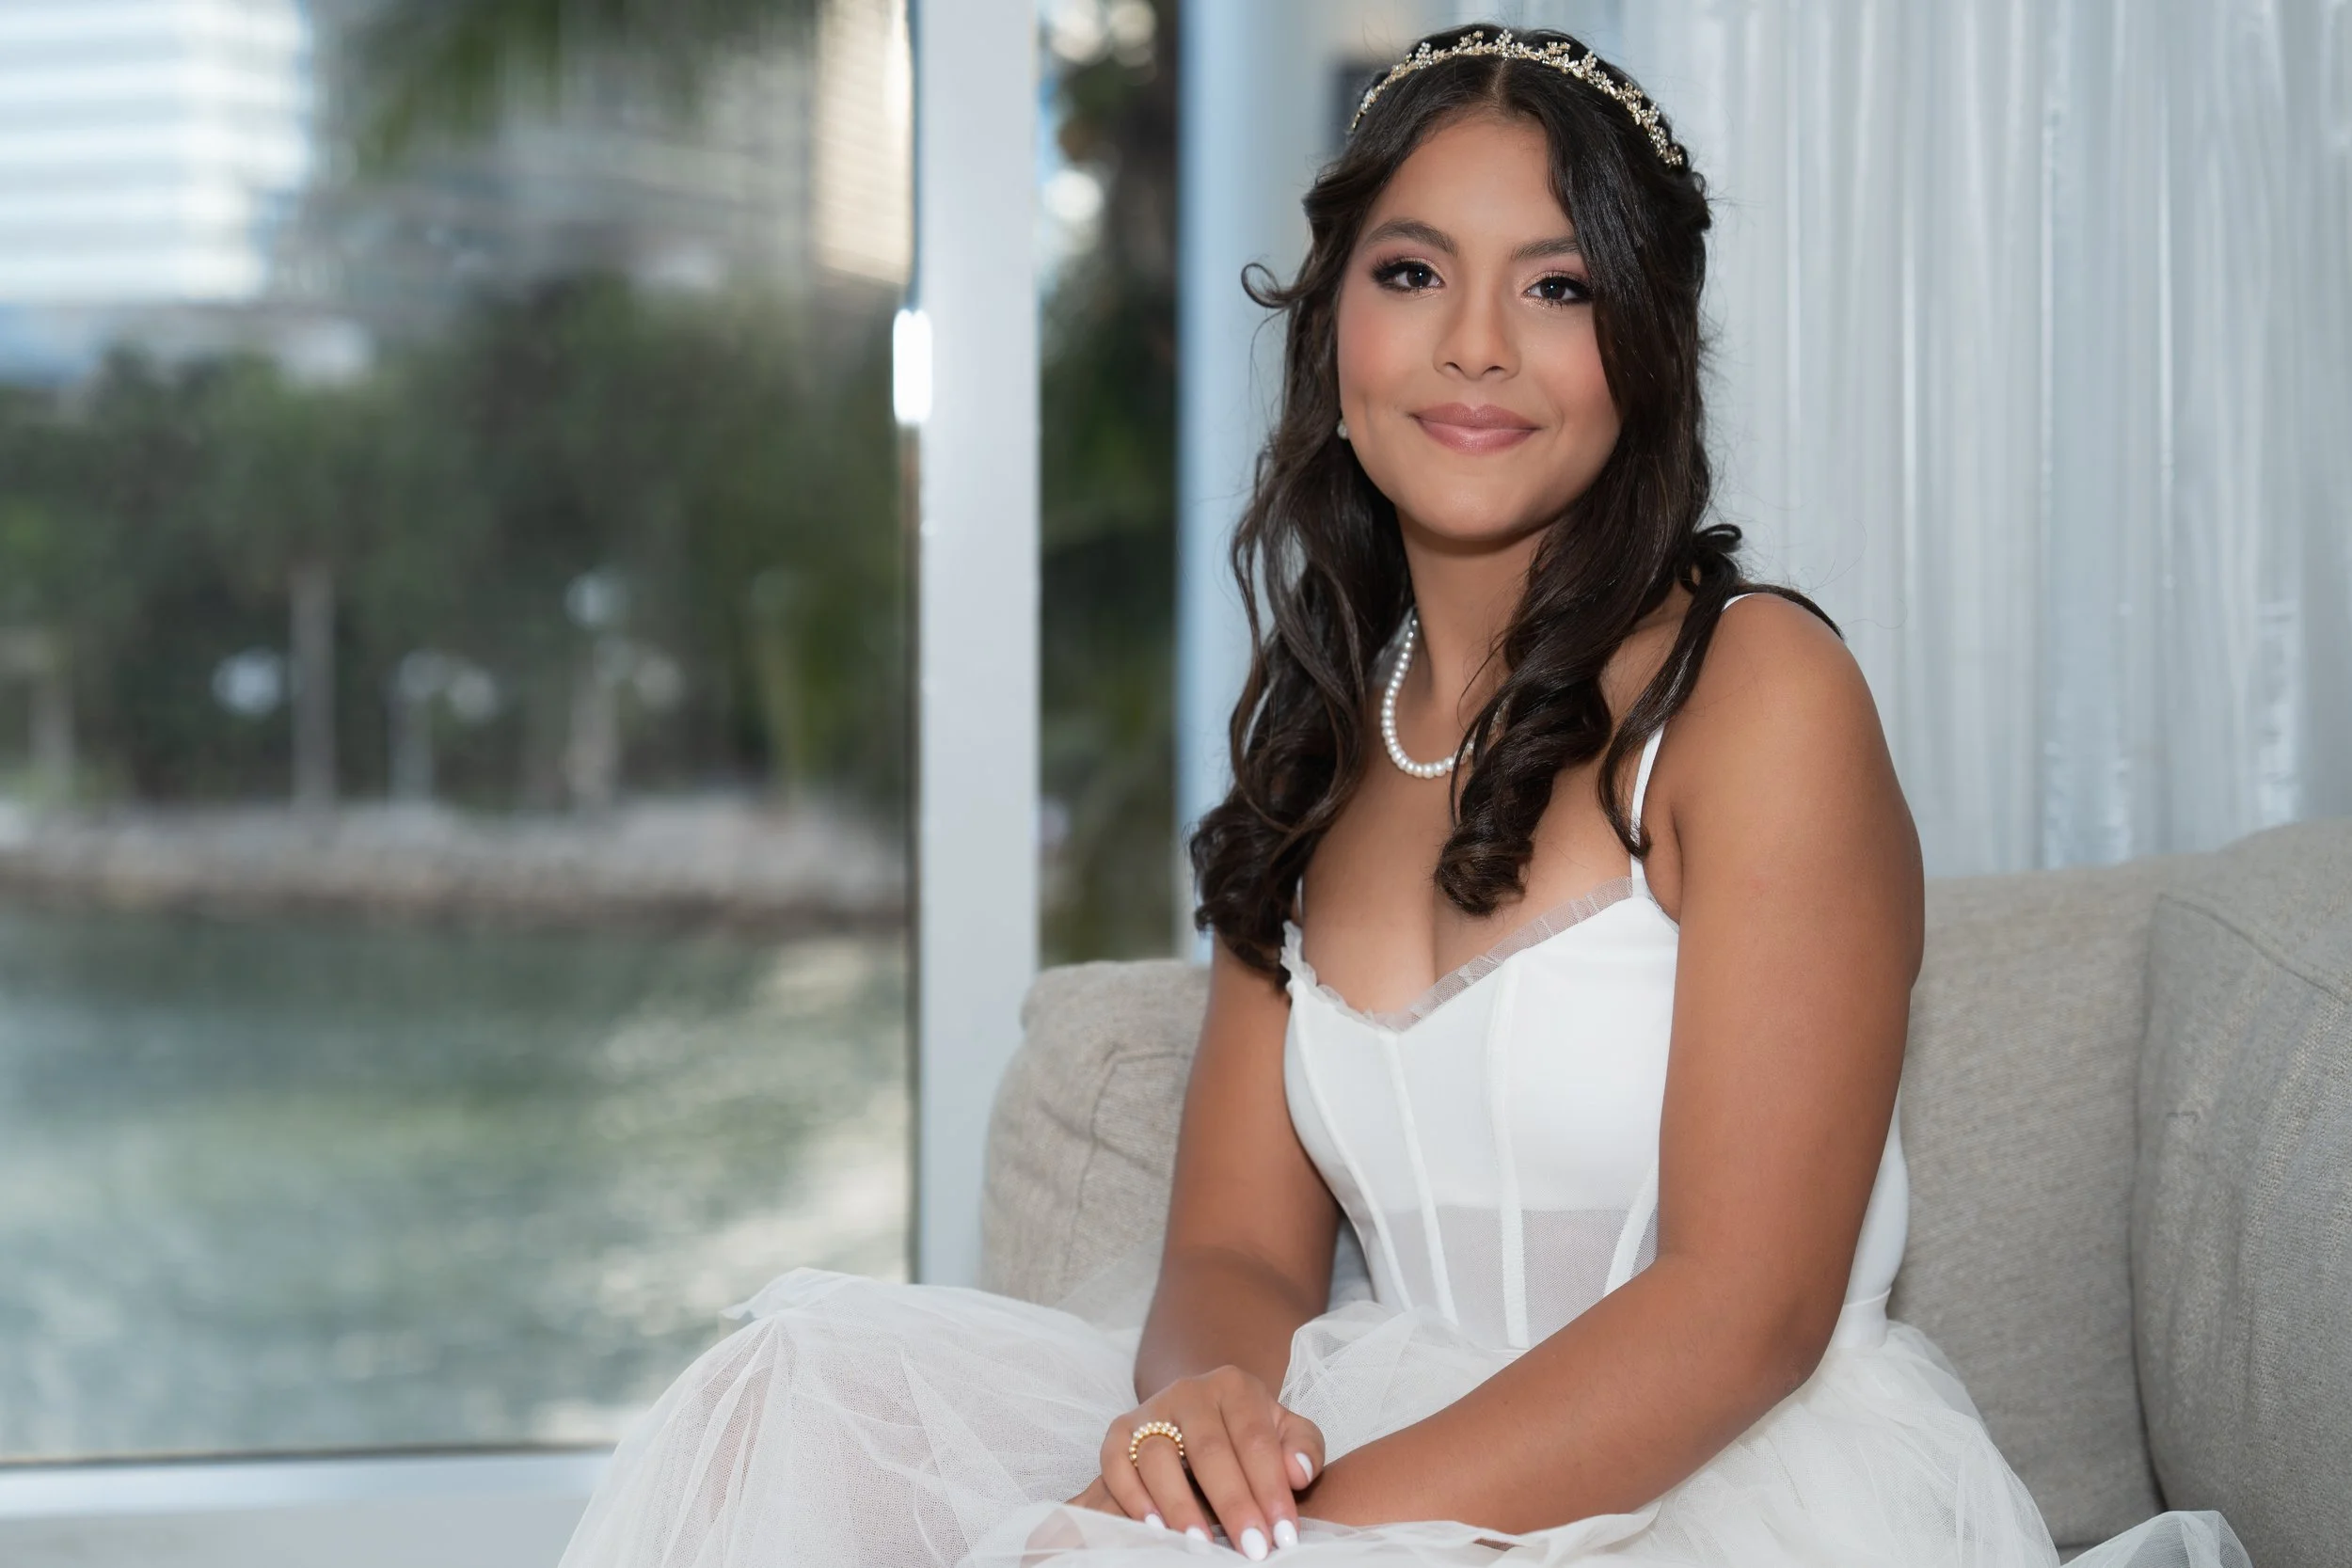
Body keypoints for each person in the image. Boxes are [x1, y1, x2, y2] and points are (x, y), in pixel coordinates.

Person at [559, 26, 2249, 1568]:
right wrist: (1207, 1417)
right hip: (1368, 1436)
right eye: (1414, 269)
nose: (1474, 347)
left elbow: (1752, 1306)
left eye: (1560, 287)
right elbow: (1237, 1250)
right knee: (778, 1396)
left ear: (1645, 345)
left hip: (1713, 1482)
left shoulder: (1753, 696)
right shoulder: (1315, 740)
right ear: (1333, 324)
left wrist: (1305, 1544)